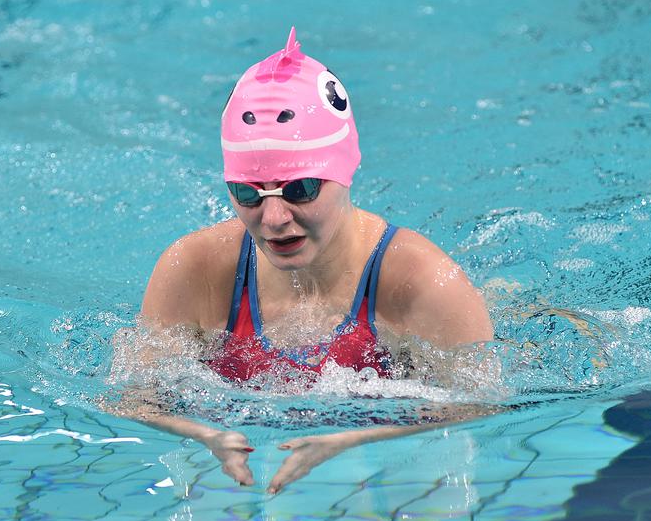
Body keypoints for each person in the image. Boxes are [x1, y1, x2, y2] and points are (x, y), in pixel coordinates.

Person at [118, 27, 494, 494]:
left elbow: (480, 411)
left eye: (301, 190)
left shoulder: (425, 285)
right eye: (247, 194)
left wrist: (359, 441)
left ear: (345, 170)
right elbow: (135, 399)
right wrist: (204, 435)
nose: (274, 218)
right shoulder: (194, 271)